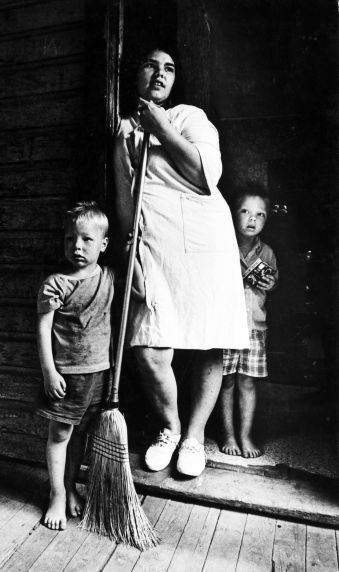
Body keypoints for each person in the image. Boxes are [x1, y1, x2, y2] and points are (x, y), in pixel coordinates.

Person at [113, 47, 249, 477]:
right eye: (151, 64)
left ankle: (193, 437)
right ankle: (170, 429)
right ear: (136, 73)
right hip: (153, 242)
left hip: (206, 241)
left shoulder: (189, 116)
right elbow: (122, 201)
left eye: (169, 68)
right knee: (149, 345)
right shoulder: (122, 132)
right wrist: (129, 253)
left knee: (210, 338)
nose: (160, 73)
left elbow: (205, 176)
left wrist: (162, 127)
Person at [36, 201, 143, 531]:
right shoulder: (56, 283)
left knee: (81, 435)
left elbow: (138, 290)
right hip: (66, 376)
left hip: (99, 373)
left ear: (103, 244)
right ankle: (56, 495)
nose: (77, 246)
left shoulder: (108, 277)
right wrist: (49, 371)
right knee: (60, 435)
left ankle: (70, 487)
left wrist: (133, 253)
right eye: (70, 239)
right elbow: (42, 329)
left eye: (86, 239)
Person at [219, 186, 278, 458]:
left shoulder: (266, 252)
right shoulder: (222, 246)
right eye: (245, 211)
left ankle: (245, 435)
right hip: (226, 326)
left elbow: (273, 282)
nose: (252, 219)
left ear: (266, 220)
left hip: (254, 328)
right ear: (233, 213)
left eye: (260, 214)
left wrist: (271, 283)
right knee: (226, 381)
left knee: (247, 383)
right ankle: (228, 434)